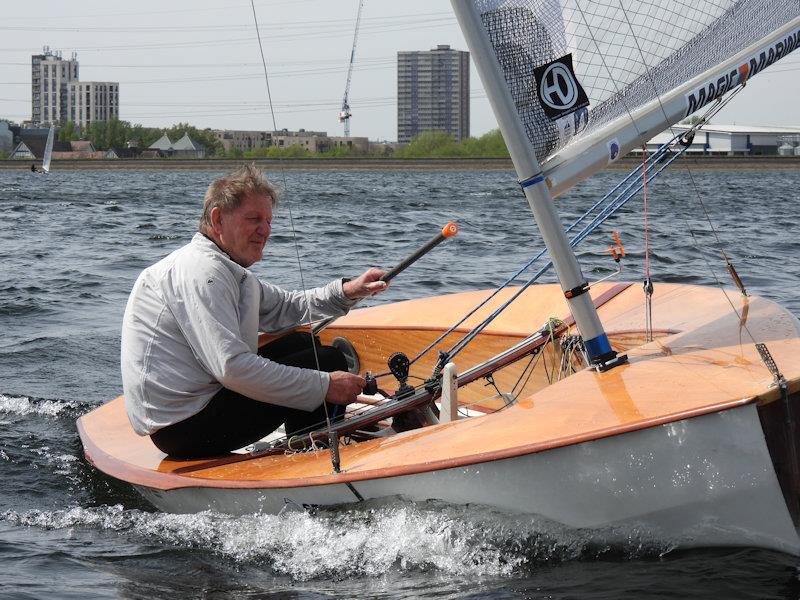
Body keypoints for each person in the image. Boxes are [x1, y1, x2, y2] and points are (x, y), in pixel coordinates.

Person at [121, 164, 388, 458]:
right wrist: (324, 386)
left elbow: (288, 306)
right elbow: (232, 368)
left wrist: (348, 291)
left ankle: (307, 444)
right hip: (183, 428)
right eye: (254, 219)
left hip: (196, 407)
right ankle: (315, 458)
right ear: (218, 219)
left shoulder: (224, 267)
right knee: (326, 361)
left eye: (269, 221)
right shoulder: (204, 273)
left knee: (305, 344)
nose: (265, 231)